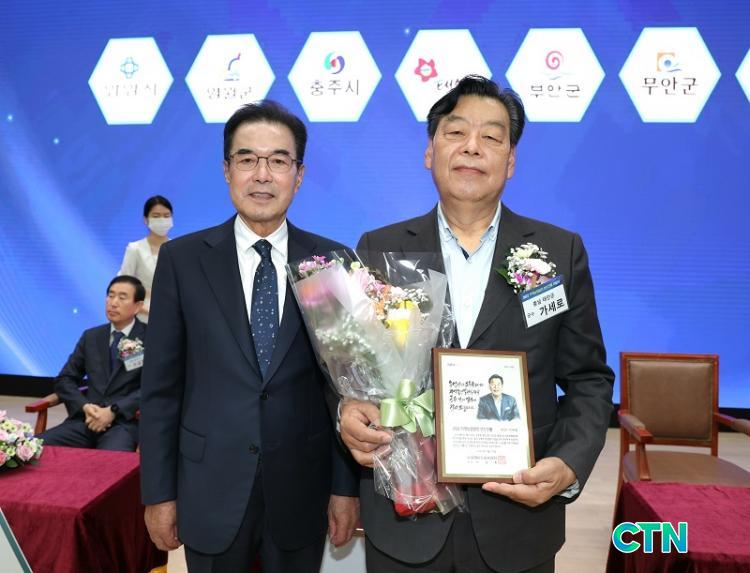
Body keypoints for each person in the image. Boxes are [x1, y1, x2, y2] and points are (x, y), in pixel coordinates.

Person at [341, 76, 614, 573]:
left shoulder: (557, 252)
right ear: (430, 152)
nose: (472, 146)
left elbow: (589, 379)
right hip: (407, 514)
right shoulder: (379, 250)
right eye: (456, 132)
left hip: (518, 518)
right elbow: (350, 371)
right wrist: (347, 410)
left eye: (491, 136)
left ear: (510, 162)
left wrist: (569, 463)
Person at [139, 101, 359, 573]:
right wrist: (158, 493)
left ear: (299, 175)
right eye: (247, 159)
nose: (262, 175)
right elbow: (160, 390)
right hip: (208, 486)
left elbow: (346, 389)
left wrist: (345, 489)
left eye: (278, 160)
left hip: (303, 488)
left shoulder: (331, 262)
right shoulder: (182, 261)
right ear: (227, 170)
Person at [38, 275, 146, 451]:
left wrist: (113, 411)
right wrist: (84, 406)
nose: (113, 303)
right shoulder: (92, 337)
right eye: (110, 295)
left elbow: (153, 386)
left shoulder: (150, 338)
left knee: (111, 463)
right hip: (86, 419)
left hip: (123, 424)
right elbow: (65, 379)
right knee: (34, 449)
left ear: (138, 306)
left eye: (122, 297)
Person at [119, 195, 174, 322]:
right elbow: (124, 287)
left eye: (166, 216)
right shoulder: (135, 249)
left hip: (172, 317)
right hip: (142, 318)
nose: (162, 220)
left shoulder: (178, 249)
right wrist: (147, 310)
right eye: (156, 216)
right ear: (145, 219)